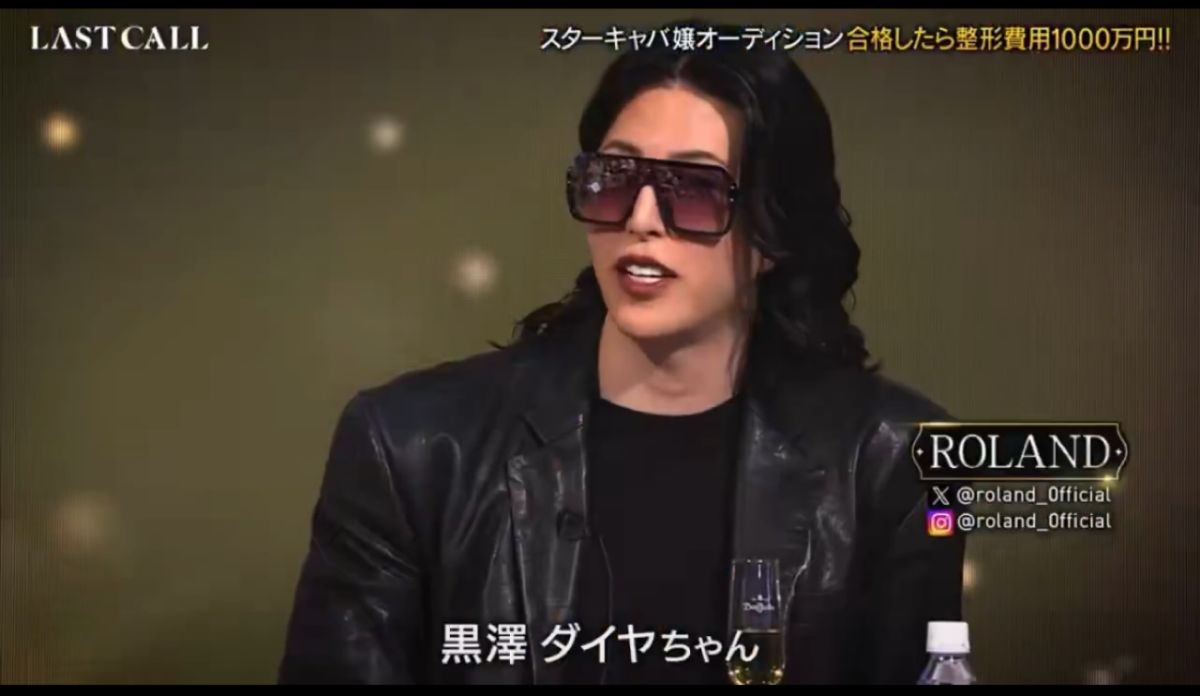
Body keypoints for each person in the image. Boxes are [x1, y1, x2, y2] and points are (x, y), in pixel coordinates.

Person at [278, 20, 965, 685]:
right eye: (615, 176)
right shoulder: (409, 448)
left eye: (693, 190)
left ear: (773, 232)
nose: (640, 219)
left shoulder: (893, 463)